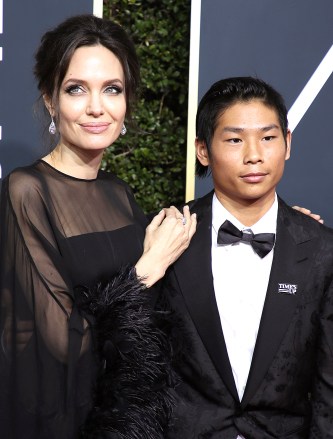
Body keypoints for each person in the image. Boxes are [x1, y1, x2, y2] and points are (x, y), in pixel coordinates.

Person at [0, 14, 197, 439]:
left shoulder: (119, 193)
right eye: (76, 89)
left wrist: (284, 222)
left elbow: (150, 319)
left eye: (112, 89)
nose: (96, 107)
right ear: (51, 101)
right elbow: (61, 340)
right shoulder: (26, 191)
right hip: (62, 421)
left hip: (124, 418)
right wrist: (150, 266)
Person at [165, 76, 333, 438]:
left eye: (268, 137)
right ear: (203, 150)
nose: (254, 155)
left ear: (287, 143)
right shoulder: (166, 238)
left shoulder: (322, 250)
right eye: (235, 139)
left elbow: (328, 390)